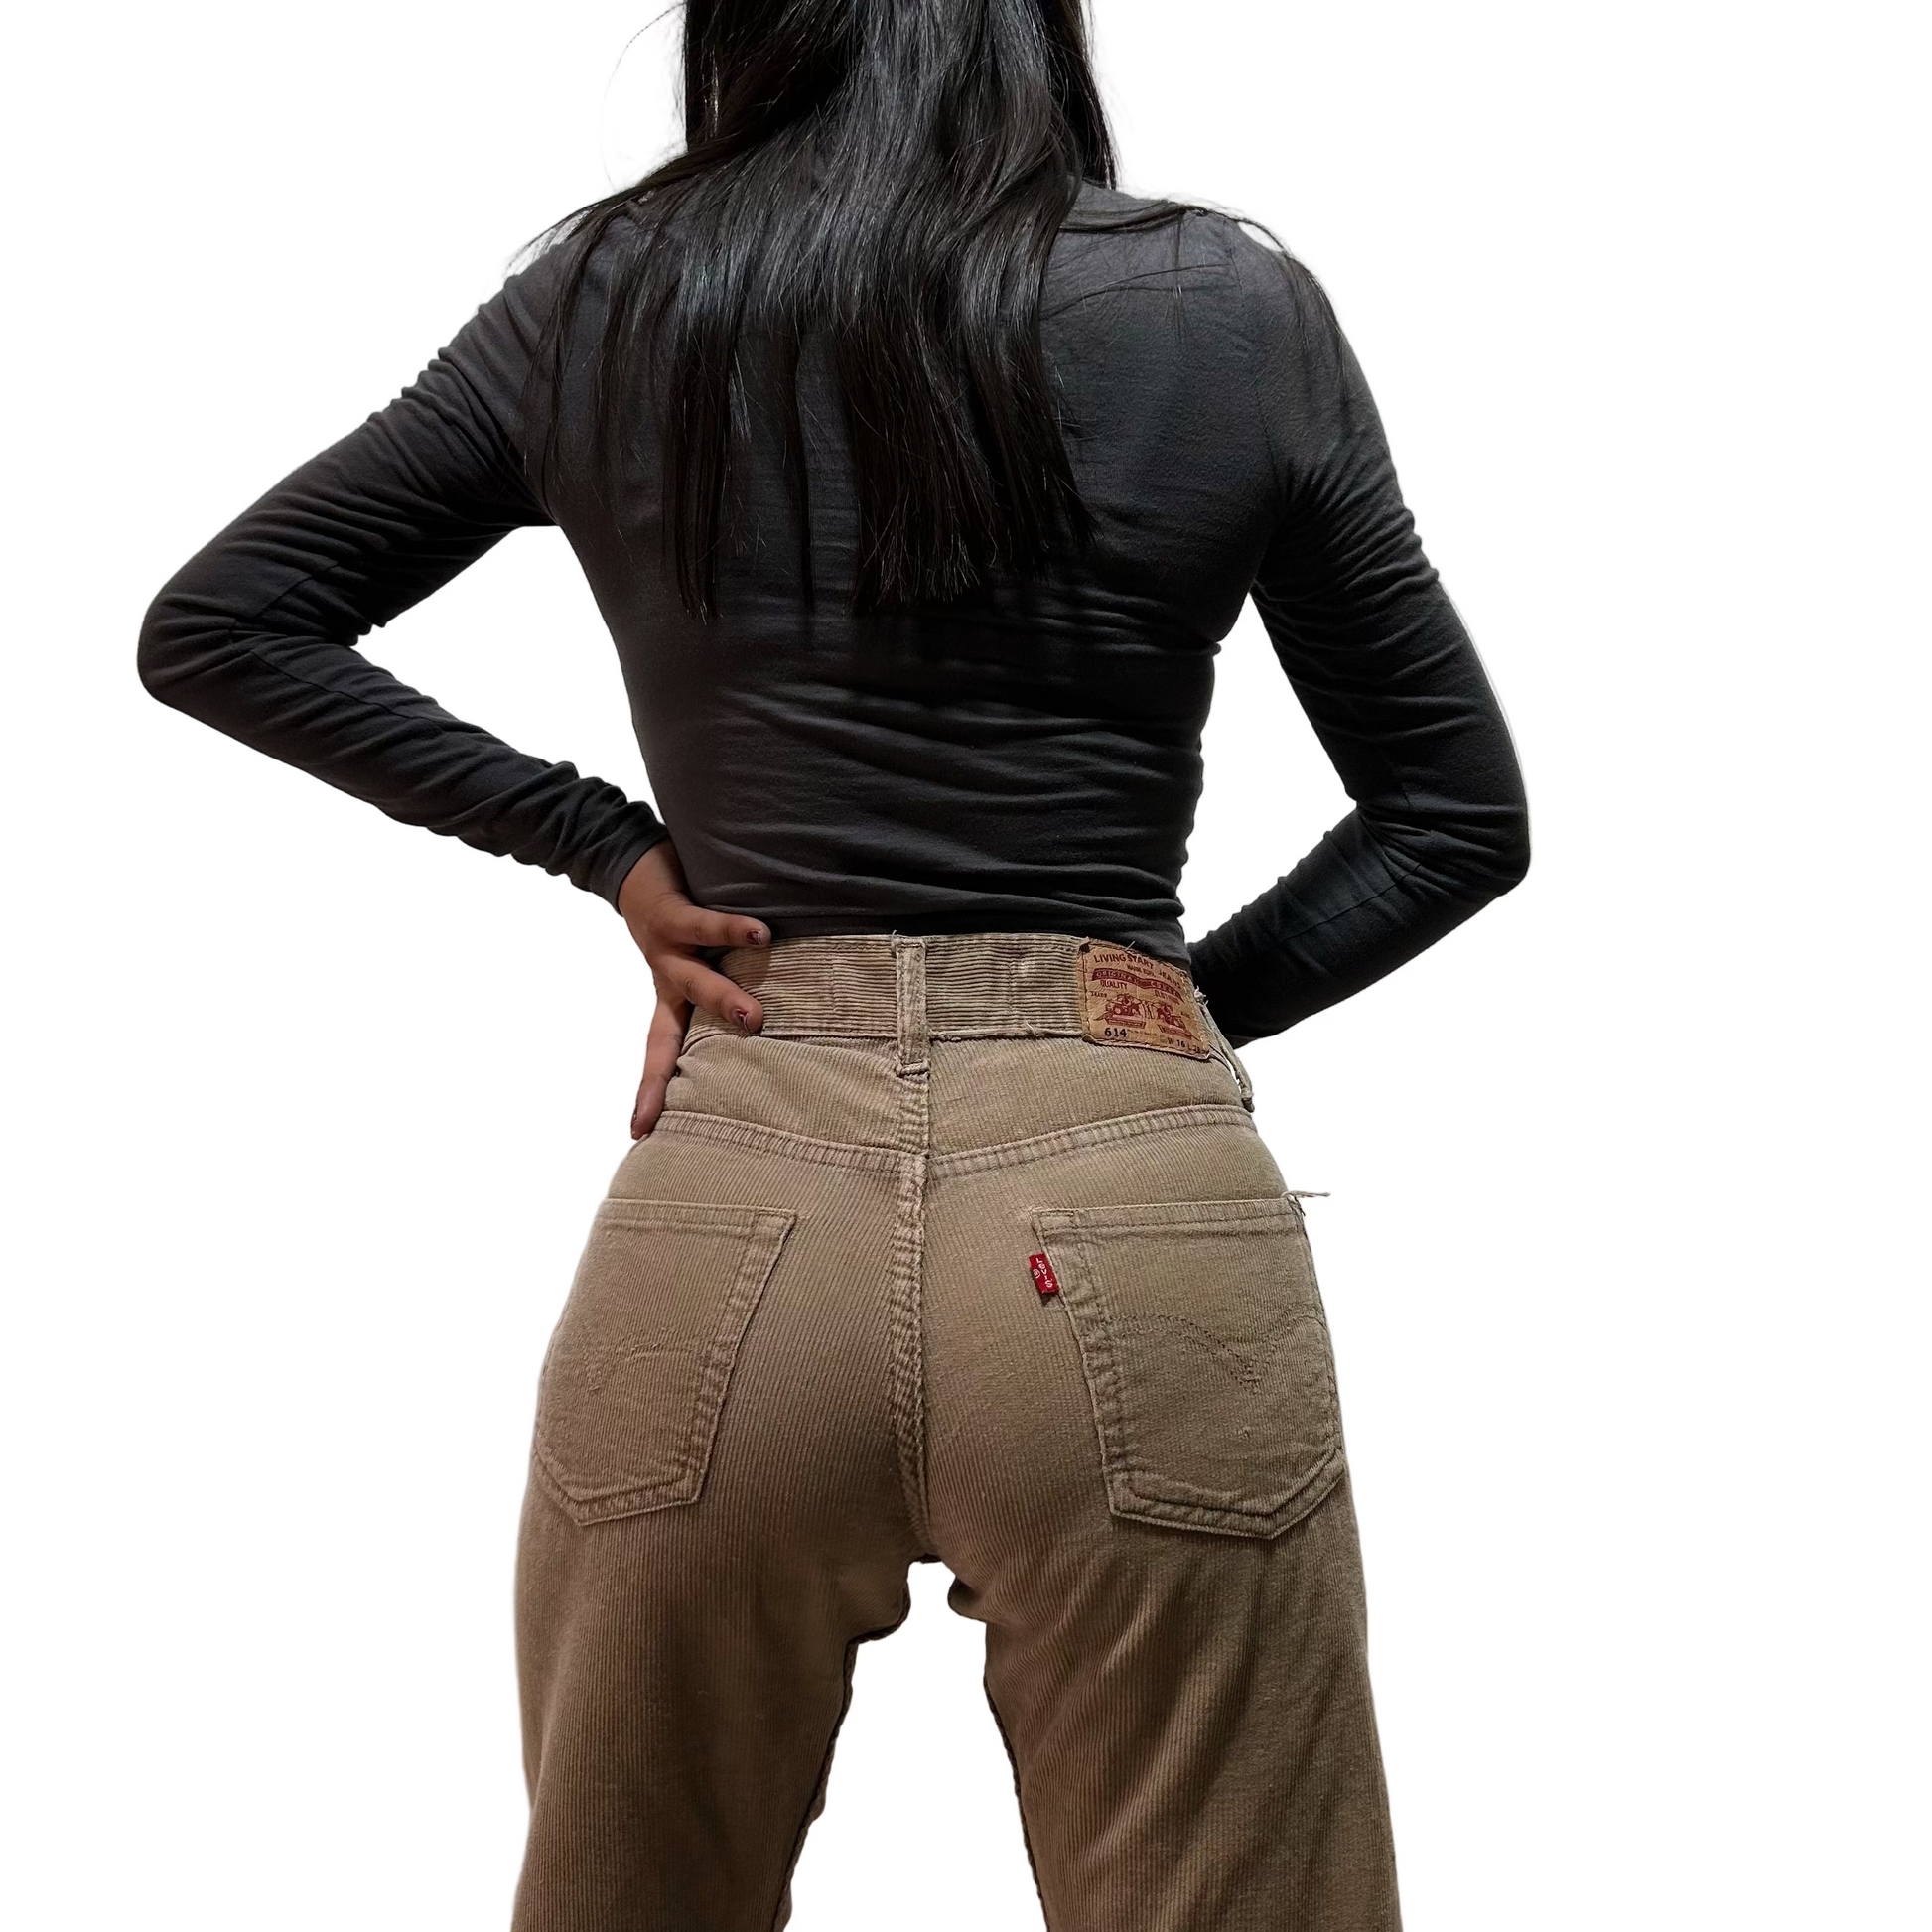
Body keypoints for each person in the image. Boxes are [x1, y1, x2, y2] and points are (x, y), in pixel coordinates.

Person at [138, 2, 1529, 1925]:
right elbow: (1454, 816)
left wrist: (608, 847)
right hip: (1136, 1230)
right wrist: (1138, 1017)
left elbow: (225, 623)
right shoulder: (1223, 308)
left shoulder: (616, 296)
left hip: (733, 1214)